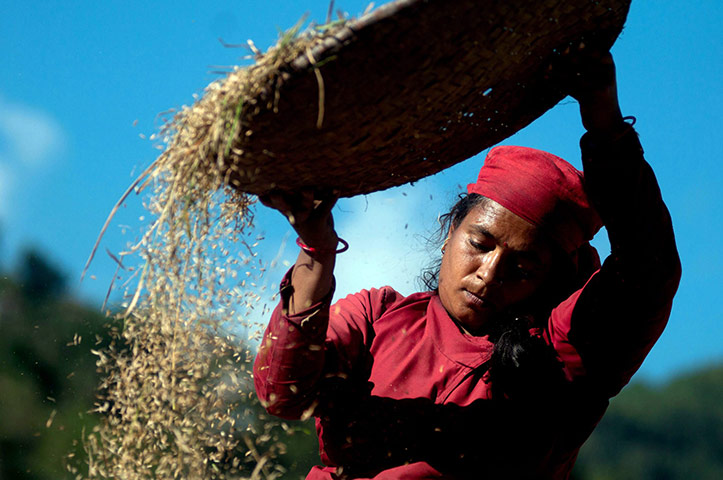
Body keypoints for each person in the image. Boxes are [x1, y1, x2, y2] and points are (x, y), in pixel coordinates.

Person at [253, 50, 681, 479]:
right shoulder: (377, 318)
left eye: (524, 267)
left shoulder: (561, 360)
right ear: (449, 233)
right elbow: (281, 394)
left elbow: (648, 266)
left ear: (551, 281)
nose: (490, 273)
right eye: (479, 243)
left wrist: (605, 125)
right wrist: (317, 249)